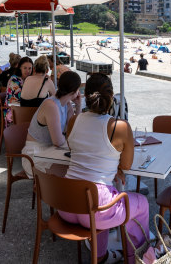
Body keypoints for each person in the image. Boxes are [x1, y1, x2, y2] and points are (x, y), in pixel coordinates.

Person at [60, 73, 148, 263]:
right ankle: (136, 258)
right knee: (141, 203)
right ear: (112, 97)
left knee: (102, 195)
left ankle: (100, 256)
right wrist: (114, 165)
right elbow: (126, 165)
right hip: (96, 209)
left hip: (66, 203)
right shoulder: (120, 127)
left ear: (85, 94)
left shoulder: (74, 121)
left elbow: (74, 148)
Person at [21, 71, 81, 177]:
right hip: (35, 155)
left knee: (75, 169)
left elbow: (74, 129)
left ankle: (52, 192)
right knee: (73, 171)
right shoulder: (51, 105)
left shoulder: (66, 104)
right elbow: (58, 141)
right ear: (75, 91)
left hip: (51, 151)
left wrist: (78, 105)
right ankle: (45, 191)